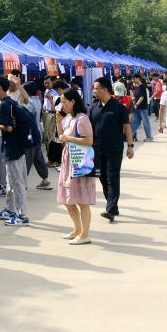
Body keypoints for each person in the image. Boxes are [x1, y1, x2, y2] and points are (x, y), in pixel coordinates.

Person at [0, 75, 30, 227]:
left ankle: (22, 215)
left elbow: (9, 128)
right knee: (10, 180)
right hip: (15, 146)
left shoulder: (4, 105)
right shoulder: (9, 102)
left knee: (16, 182)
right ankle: (10, 209)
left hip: (13, 147)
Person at [88, 77, 133, 222]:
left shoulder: (119, 107)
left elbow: (127, 127)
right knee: (102, 177)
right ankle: (113, 205)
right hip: (97, 149)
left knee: (112, 177)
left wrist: (130, 146)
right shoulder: (93, 108)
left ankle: (110, 209)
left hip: (114, 148)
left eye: (96, 88)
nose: (94, 91)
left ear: (105, 89)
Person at [56, 89, 96, 243]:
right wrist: (59, 121)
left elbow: (89, 141)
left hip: (79, 161)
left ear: (73, 101)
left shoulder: (82, 118)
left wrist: (68, 138)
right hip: (69, 161)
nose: (62, 105)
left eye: (64, 102)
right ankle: (77, 230)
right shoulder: (69, 118)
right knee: (68, 199)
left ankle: (85, 234)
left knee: (82, 200)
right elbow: (61, 137)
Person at [22, 81, 52, 191]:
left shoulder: (29, 102)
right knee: (38, 158)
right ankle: (45, 179)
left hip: (30, 134)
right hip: (37, 132)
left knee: (28, 158)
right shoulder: (37, 100)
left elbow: (25, 117)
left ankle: (23, 183)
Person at [130, 74, 153, 142]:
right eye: (133, 79)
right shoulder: (137, 87)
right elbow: (136, 97)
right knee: (134, 122)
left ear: (139, 79)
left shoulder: (143, 86)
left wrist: (136, 104)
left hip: (142, 108)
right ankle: (130, 136)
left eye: (134, 78)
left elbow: (142, 97)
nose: (133, 80)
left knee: (145, 122)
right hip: (136, 108)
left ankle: (149, 137)